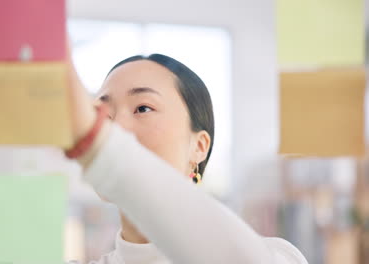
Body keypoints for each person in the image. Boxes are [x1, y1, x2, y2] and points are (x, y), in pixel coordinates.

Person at [65, 52, 308, 263]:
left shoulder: (278, 257)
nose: (115, 126)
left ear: (199, 146)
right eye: (103, 114)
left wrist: (95, 139)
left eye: (143, 108)